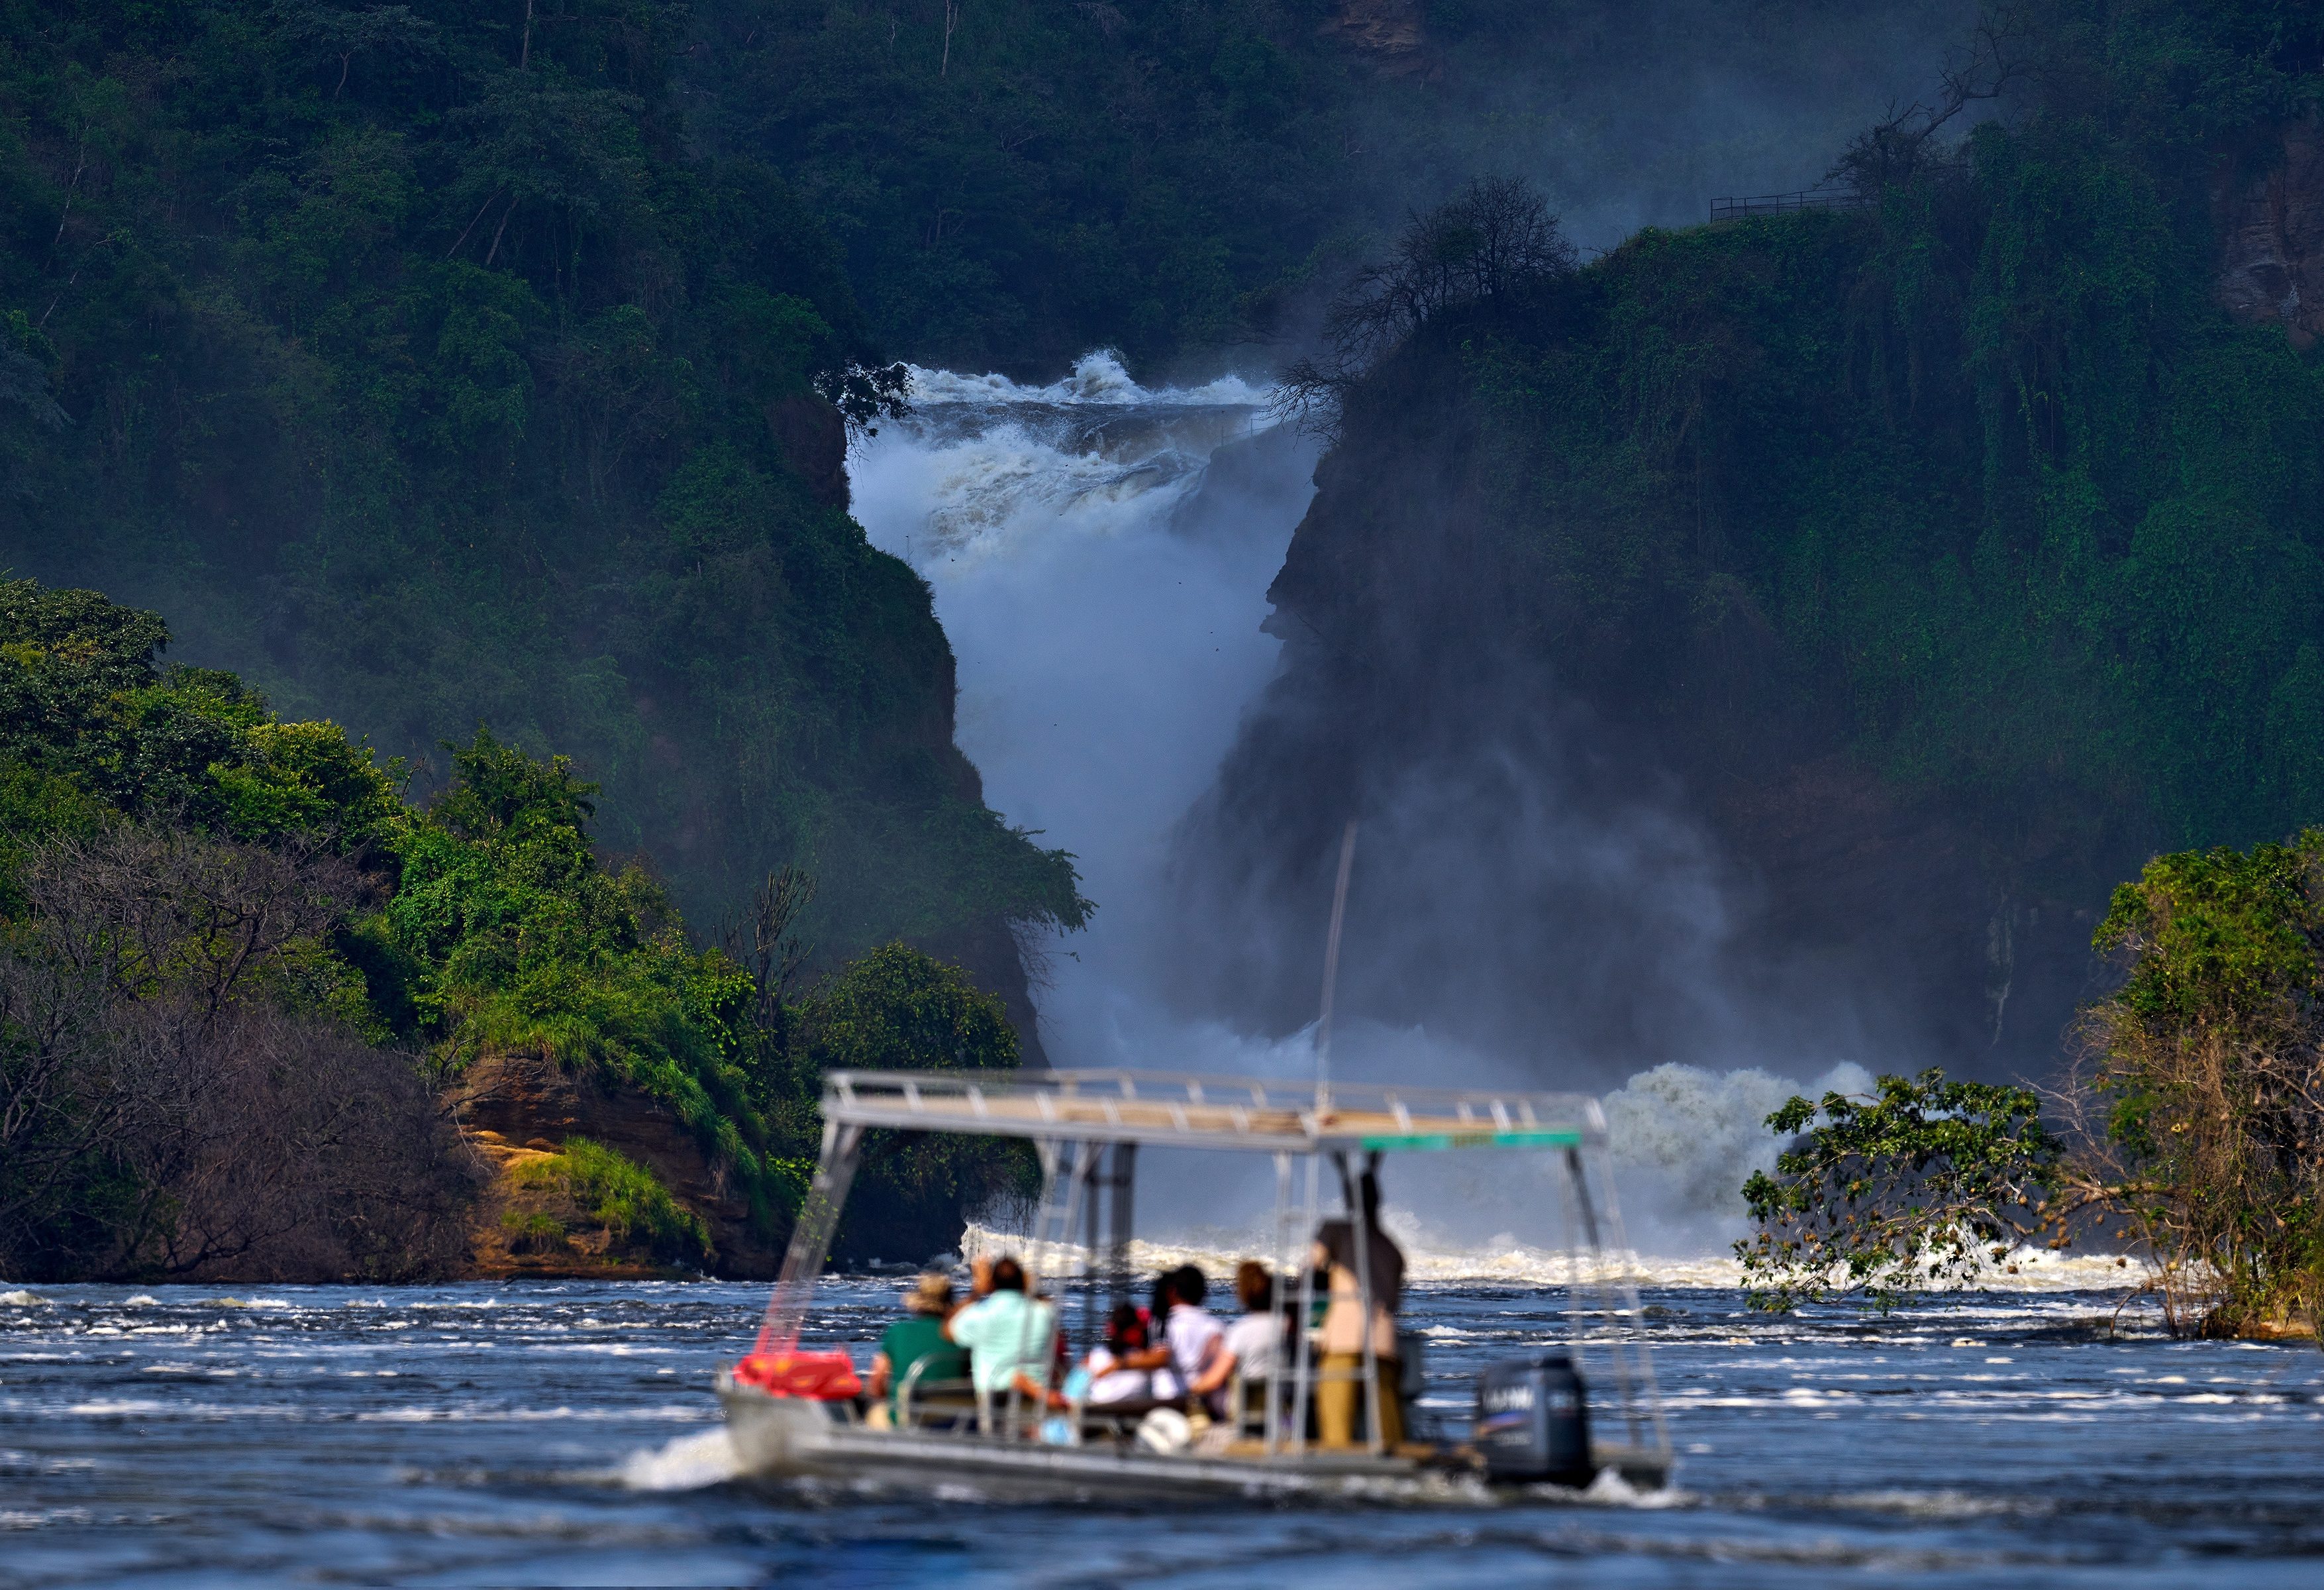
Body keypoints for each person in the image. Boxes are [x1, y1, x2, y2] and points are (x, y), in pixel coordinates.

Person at [1311, 1168, 1406, 1450]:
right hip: (1384, 1345)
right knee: (1390, 1436)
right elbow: (1394, 1301)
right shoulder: (1392, 1247)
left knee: (1336, 1433)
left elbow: (1311, 1272)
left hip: (1342, 1343)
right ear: (1379, 1200)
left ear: (1348, 1200)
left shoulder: (1334, 1230)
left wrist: (1312, 1321)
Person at [943, 1253, 1057, 1410]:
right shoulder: (1044, 1313)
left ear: (992, 1284)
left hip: (993, 1408)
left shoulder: (980, 1316)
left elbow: (948, 1330)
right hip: (1036, 1406)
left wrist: (977, 1291)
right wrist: (1028, 1287)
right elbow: (1047, 1306)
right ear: (1022, 1282)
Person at [865, 1273, 970, 1427]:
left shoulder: (899, 1332)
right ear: (949, 1302)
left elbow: (876, 1384)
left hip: (907, 1419)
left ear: (918, 1301)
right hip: (953, 1422)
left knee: (875, 1413)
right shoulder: (962, 1336)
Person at [1188, 1261, 1282, 1421]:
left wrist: (1188, 1388)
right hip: (1281, 1404)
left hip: (1251, 1408)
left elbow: (1214, 1378)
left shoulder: (1242, 1330)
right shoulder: (1285, 1325)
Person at [1062, 1302, 1153, 1407]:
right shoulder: (1149, 1362)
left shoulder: (1096, 1357)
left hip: (1094, 1416)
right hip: (1132, 1419)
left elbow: (1070, 1396)